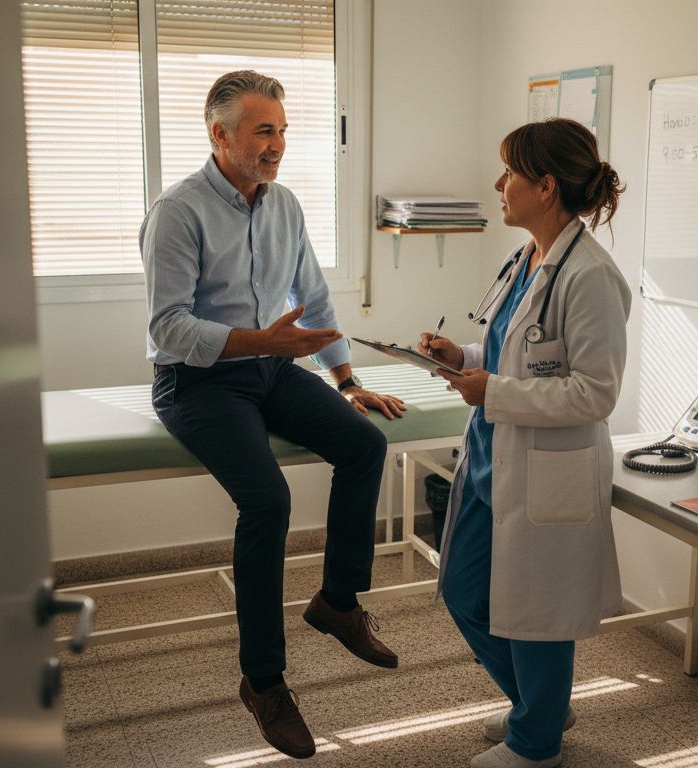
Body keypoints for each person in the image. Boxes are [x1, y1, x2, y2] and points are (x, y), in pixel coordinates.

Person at [139, 70, 405, 760]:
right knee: (267, 501)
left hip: (270, 369)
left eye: (283, 131)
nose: (277, 144)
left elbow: (312, 298)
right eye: (264, 131)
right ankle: (263, 680)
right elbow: (168, 330)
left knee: (363, 445)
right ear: (220, 135)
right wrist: (264, 344)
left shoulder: (284, 204)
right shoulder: (179, 211)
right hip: (197, 383)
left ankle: (338, 602)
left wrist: (346, 379)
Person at [418, 118, 632, 768]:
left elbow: (595, 392)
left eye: (508, 172)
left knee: (537, 613)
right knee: (462, 590)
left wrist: (495, 393)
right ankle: (540, 707)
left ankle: (536, 744)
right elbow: (523, 352)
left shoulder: (590, 275)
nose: (497, 184)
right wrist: (465, 355)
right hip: (494, 454)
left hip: (544, 466)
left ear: (544, 185)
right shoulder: (529, 257)